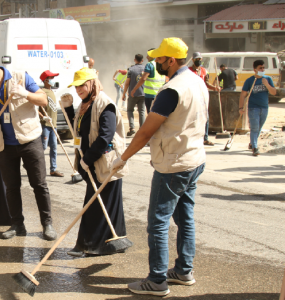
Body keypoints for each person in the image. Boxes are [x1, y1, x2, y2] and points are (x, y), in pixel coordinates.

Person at [114, 38, 208, 296]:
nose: (156, 63)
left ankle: (156, 280)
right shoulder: (197, 81)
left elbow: (145, 132)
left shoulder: (172, 90)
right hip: (194, 159)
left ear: (172, 60)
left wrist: (123, 157)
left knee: (158, 221)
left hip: (174, 164)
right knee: (185, 217)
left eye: (160, 59)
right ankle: (183, 270)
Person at [0, 55, 57, 241]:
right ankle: (17, 225)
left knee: (39, 185)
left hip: (29, 140)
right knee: (11, 187)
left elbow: (43, 100)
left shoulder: (21, 77)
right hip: (5, 145)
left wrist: (25, 94)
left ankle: (47, 224)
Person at [61, 67, 132, 257]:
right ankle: (113, 242)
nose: (78, 90)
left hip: (105, 163)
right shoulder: (86, 104)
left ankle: (91, 245)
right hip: (91, 163)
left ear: (92, 84)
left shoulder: (104, 104)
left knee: (97, 205)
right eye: (76, 87)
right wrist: (68, 109)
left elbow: (105, 137)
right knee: (103, 204)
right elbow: (79, 130)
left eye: (82, 85)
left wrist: (87, 158)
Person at [239, 59, 276, 156]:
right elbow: (243, 95)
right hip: (253, 108)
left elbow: (274, 92)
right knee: (254, 128)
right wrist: (240, 107)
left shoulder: (268, 79)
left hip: (264, 107)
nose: (262, 69)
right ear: (255, 69)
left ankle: (252, 142)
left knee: (259, 127)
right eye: (260, 68)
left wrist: (266, 84)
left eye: (263, 67)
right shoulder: (250, 80)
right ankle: (255, 147)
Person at [189, 52, 220, 146]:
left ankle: (205, 138)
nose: (198, 61)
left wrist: (215, 88)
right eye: (196, 59)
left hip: (203, 97)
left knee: (205, 117)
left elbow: (206, 83)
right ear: (192, 60)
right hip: (192, 96)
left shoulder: (204, 71)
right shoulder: (188, 70)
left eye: (199, 59)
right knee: (192, 117)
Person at [40, 70, 63, 177]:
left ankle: (53, 169)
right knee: (43, 147)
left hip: (53, 125)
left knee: (54, 147)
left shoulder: (52, 91)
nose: (53, 80)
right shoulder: (41, 92)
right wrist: (43, 117)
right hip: (45, 125)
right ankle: (32, 163)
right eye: (51, 78)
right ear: (45, 80)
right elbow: (36, 108)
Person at [130, 49, 167, 113]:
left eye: (148, 55)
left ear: (153, 55)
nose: (147, 57)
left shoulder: (150, 64)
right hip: (160, 94)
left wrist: (134, 89)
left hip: (150, 95)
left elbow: (143, 78)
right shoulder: (161, 64)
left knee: (150, 114)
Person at [122, 54, 146, 136]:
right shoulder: (146, 69)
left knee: (129, 110)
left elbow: (127, 83)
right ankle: (142, 129)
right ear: (142, 60)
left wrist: (124, 93)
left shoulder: (131, 69)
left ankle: (132, 128)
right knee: (142, 111)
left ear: (135, 60)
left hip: (133, 94)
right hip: (143, 94)